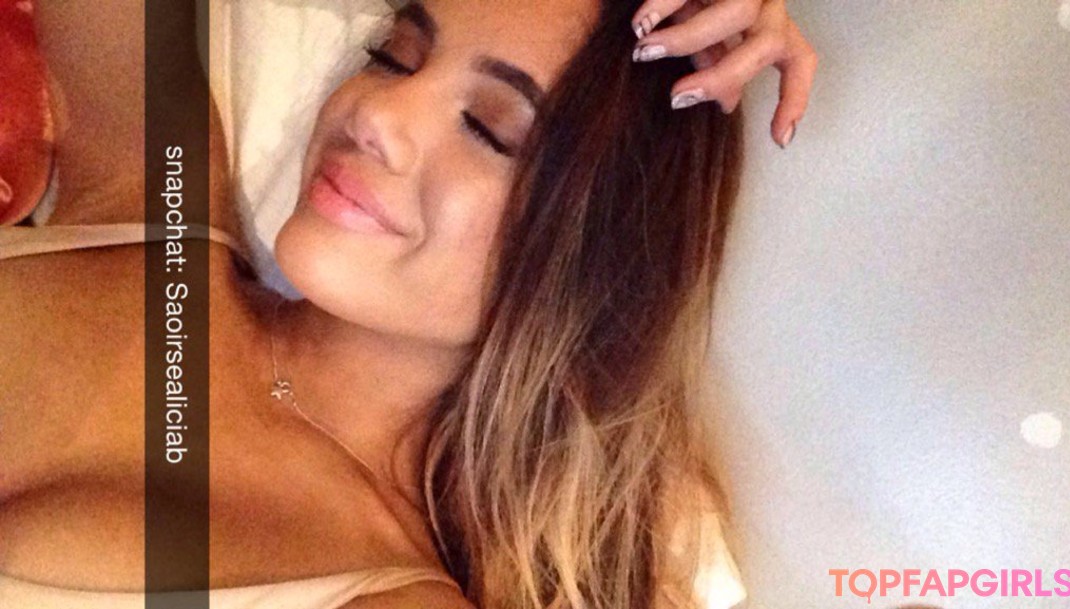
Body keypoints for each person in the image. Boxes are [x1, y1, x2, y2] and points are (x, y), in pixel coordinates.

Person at [0, 0, 816, 608]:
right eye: (393, 56)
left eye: (489, 129)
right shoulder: (162, 207)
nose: (376, 113)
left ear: (596, 263)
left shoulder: (380, 589)